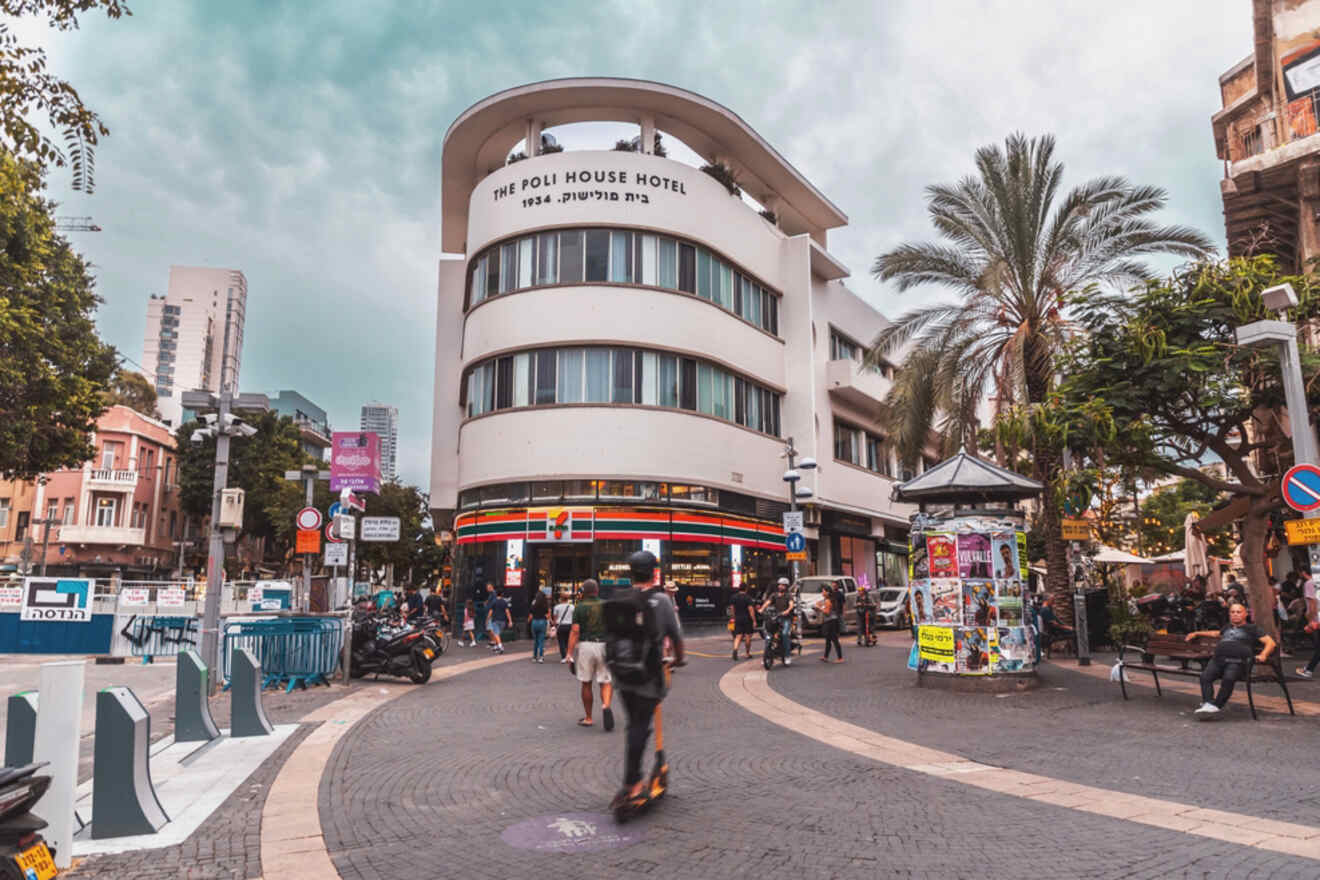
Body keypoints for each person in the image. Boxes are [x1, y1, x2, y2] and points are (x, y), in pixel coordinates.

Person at [608, 551, 685, 810]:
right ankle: (633, 785)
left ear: (631, 572)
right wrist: (678, 660)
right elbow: (676, 638)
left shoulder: (621, 597)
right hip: (648, 675)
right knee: (640, 727)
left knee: (634, 726)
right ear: (654, 572)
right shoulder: (661, 600)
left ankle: (632, 781)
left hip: (621, 673)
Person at [1186, 602, 1276, 717]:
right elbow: (1215, 633)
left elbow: (1270, 643)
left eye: (1238, 612)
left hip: (1237, 662)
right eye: (1232, 612)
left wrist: (1263, 654)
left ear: (1245, 614)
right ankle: (1208, 703)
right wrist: (1196, 633)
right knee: (1205, 677)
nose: (1235, 614)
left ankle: (1216, 705)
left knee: (1228, 678)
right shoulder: (1227, 627)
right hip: (1218, 660)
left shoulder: (1252, 628)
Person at [566, 579, 614, 730]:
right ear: (597, 590)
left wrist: (569, 653)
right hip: (604, 644)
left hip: (586, 645)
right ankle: (606, 705)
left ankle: (588, 717)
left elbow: (575, 631)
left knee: (586, 682)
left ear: (584, 592)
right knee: (605, 681)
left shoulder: (579, 607)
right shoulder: (606, 605)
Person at [759, 577, 795, 666]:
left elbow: (791, 604)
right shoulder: (774, 595)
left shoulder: (788, 595)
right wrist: (762, 609)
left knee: (785, 634)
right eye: (779, 584)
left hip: (786, 618)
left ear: (786, 586)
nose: (780, 586)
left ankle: (787, 656)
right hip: (776, 617)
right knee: (769, 635)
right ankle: (766, 656)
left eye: (783, 585)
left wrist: (788, 610)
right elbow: (768, 602)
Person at [1296, 566, 1320, 679]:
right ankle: (1309, 669)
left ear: (1303, 572)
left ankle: (1309, 670)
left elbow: (1313, 603)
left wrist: (1311, 620)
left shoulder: (1309, 583)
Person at [814, 585, 844, 663]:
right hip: (829, 621)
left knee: (834, 639)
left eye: (823, 591)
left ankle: (840, 658)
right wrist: (818, 605)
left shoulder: (828, 600)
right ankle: (825, 656)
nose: (822, 593)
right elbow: (819, 604)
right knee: (828, 639)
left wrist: (819, 608)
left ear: (827, 592)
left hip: (831, 621)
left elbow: (827, 612)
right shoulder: (827, 599)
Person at [729, 582, 757, 660]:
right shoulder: (748, 598)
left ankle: (735, 649)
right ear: (746, 589)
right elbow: (751, 610)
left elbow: (732, 608)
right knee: (748, 636)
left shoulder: (733, 597)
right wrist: (754, 620)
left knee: (738, 636)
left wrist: (733, 617)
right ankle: (747, 653)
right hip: (747, 619)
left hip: (738, 618)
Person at [485, 588, 511, 655]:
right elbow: (507, 612)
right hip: (503, 621)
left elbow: (490, 612)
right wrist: (510, 621)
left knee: (496, 634)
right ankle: (496, 646)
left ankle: (500, 646)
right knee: (498, 634)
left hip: (495, 620)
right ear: (502, 595)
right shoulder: (504, 602)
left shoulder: (494, 602)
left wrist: (487, 620)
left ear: (496, 594)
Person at [552, 589, 575, 662]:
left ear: (560, 598)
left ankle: (563, 657)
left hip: (560, 626)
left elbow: (555, 618)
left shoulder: (557, 607)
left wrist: (555, 626)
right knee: (568, 641)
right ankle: (569, 656)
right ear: (568, 599)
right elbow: (574, 617)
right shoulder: (572, 607)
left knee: (561, 642)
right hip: (569, 625)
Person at [528, 588, 551, 663]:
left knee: (535, 641)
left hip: (534, 622)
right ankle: (541, 657)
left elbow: (530, 615)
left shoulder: (534, 602)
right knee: (541, 641)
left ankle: (534, 657)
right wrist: (550, 622)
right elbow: (547, 615)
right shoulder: (545, 603)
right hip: (542, 621)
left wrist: (528, 621)